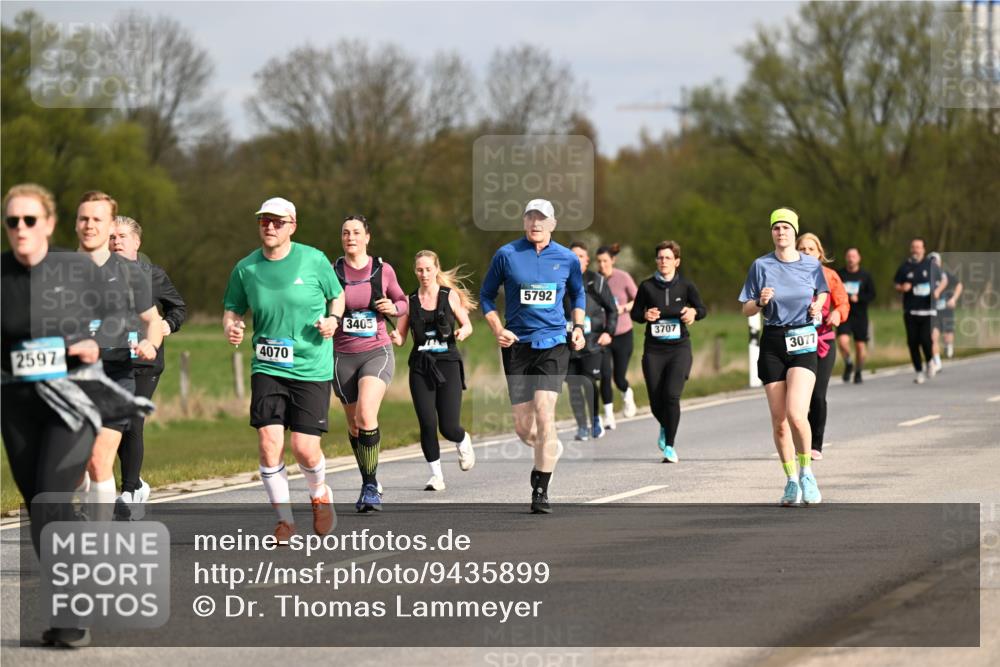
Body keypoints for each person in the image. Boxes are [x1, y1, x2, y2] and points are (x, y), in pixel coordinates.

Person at [2, 184, 150, 648]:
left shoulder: (75, 270)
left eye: (30, 220)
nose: (21, 229)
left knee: (52, 499)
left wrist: (94, 341)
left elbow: (120, 318)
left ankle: (71, 615)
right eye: (12, 222)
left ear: (47, 224)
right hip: (18, 405)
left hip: (73, 400)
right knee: (41, 509)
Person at [223, 197, 344, 539]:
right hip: (268, 366)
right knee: (268, 443)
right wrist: (231, 327)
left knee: (304, 449)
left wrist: (333, 319)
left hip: (310, 366)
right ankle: (285, 520)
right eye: (264, 221)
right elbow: (233, 308)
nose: (270, 227)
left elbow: (338, 296)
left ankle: (319, 493)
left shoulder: (314, 259)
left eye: (277, 222)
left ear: (292, 225)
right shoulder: (246, 268)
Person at [480, 199, 586, 514]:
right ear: (524, 222)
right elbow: (486, 295)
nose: (535, 224)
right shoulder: (507, 255)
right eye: (531, 218)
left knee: (545, 411)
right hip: (517, 345)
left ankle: (540, 488)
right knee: (524, 429)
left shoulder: (567, 258)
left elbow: (577, 292)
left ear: (552, 224)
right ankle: (547, 445)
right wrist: (497, 327)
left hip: (554, 342)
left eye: (542, 219)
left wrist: (578, 326)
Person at [76, 192, 163, 509]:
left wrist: (149, 343)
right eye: (84, 218)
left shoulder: (131, 273)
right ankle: (85, 490)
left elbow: (152, 320)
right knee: (77, 466)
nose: (89, 225)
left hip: (116, 375)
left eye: (98, 219)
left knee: (100, 459)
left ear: (109, 225)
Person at [739, 207, 828, 506]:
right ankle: (791, 480)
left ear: (794, 231)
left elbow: (824, 292)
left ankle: (807, 472)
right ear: (772, 233)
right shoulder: (760, 265)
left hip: (803, 339)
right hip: (774, 341)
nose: (781, 233)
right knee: (779, 421)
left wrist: (818, 306)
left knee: (795, 413)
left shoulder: (810, 264)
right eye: (776, 228)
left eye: (786, 228)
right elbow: (746, 308)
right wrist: (760, 302)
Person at [109, 216, 187, 519]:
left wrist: (168, 324)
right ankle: (136, 483)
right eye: (112, 237)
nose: (116, 242)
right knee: (113, 425)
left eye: (122, 237)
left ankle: (129, 491)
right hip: (110, 361)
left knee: (131, 420)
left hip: (145, 362)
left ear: (137, 242)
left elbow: (178, 307)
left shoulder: (153, 275)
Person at [332, 215, 408, 512]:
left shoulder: (382, 269)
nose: (350, 237)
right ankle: (369, 478)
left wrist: (394, 307)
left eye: (356, 232)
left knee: (366, 414)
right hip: (341, 355)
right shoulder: (333, 271)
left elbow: (403, 301)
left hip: (376, 350)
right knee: (354, 425)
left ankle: (369, 486)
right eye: (345, 232)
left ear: (367, 237)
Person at [390, 251, 476, 491]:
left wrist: (463, 332)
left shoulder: (449, 297)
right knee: (427, 422)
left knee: (448, 427)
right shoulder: (410, 302)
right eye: (419, 270)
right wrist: (395, 337)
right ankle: (436, 475)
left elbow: (467, 323)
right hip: (420, 366)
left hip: (448, 363)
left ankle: (462, 439)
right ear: (414, 271)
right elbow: (402, 336)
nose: (424, 274)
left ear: (436, 269)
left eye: (428, 269)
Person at [630, 241, 706, 463]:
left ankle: (670, 446)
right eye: (660, 258)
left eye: (668, 258)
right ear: (656, 261)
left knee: (671, 396)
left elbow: (702, 310)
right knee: (656, 400)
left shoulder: (686, 286)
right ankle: (665, 424)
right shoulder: (646, 286)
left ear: (677, 262)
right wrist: (645, 315)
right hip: (654, 350)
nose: (663, 261)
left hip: (679, 349)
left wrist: (693, 312)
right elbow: (635, 313)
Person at [796, 233, 849, 461]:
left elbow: (843, 303)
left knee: (817, 395)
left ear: (819, 253)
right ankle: (799, 443)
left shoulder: (830, 276)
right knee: (798, 398)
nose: (807, 252)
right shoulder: (790, 276)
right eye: (803, 249)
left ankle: (815, 444)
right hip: (797, 341)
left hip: (823, 341)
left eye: (811, 249)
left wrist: (837, 313)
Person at [564, 242, 617, 441]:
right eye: (573, 255)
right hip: (568, 345)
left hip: (592, 342)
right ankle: (581, 426)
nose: (576, 259)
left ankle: (595, 419)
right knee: (573, 386)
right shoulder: (560, 281)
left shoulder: (596, 282)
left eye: (580, 256)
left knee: (588, 382)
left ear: (587, 260)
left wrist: (608, 332)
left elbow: (612, 309)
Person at [595, 244, 638, 427]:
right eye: (599, 261)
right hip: (603, 335)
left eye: (605, 261)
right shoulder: (593, 281)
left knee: (618, 377)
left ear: (612, 260)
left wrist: (624, 308)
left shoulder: (623, 277)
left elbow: (638, 299)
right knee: (604, 375)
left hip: (623, 333)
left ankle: (627, 393)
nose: (602, 265)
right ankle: (609, 416)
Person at [893, 238, 941, 384]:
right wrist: (902, 288)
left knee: (926, 340)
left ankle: (930, 361)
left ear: (923, 249)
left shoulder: (931, 265)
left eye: (918, 247)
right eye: (913, 247)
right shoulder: (905, 267)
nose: (916, 250)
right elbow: (896, 284)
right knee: (913, 342)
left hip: (928, 311)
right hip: (911, 310)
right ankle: (919, 372)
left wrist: (937, 291)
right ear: (910, 249)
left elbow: (943, 280)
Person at [836, 248, 876, 383]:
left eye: (853, 256)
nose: (851, 258)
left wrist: (859, 298)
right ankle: (848, 362)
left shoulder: (865, 276)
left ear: (859, 258)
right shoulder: (839, 274)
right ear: (846, 258)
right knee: (842, 342)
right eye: (848, 256)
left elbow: (872, 294)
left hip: (860, 316)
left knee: (860, 346)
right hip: (844, 313)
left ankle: (858, 371)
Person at [929, 251, 961, 366]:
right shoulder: (927, 276)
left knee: (947, 336)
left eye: (936, 261)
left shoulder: (946, 275)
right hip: (934, 311)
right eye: (932, 261)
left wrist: (954, 299)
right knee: (934, 336)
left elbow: (959, 285)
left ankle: (948, 346)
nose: (934, 264)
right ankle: (937, 361)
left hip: (946, 310)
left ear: (940, 262)